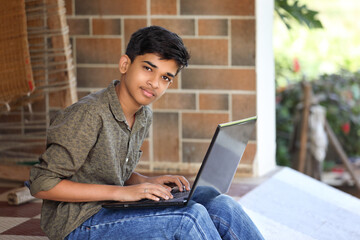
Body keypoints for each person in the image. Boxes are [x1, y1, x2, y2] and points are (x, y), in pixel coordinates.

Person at [29, 26, 264, 240]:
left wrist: (144, 182)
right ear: (125, 65)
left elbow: (106, 169)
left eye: (165, 77)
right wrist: (123, 193)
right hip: (78, 223)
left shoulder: (143, 115)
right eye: (148, 69)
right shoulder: (88, 115)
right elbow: (41, 184)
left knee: (221, 205)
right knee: (189, 218)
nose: (154, 83)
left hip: (111, 207)